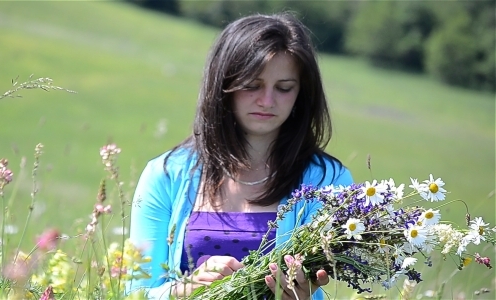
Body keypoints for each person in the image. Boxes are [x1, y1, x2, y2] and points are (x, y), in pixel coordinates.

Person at [127, 12, 353, 300]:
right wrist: (185, 290)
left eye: (284, 88)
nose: (267, 101)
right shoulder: (167, 175)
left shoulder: (328, 181)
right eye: (252, 85)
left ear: (302, 94)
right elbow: (133, 292)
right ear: (223, 86)